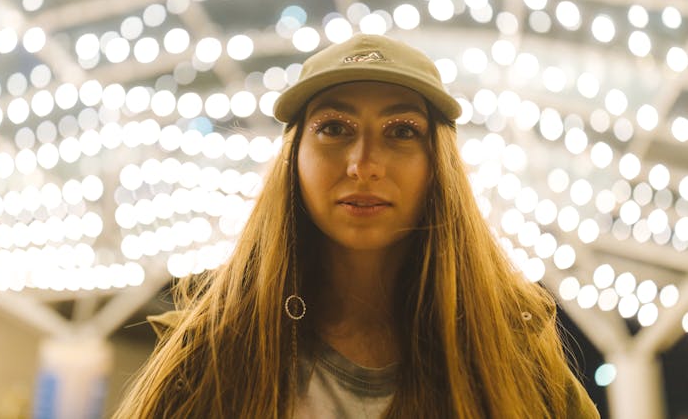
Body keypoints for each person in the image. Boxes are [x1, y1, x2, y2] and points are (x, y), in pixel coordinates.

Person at [114, 34, 601, 418]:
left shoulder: (516, 361)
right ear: (294, 157)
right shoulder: (208, 352)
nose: (363, 164)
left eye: (402, 131)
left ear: (440, 166)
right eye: (334, 128)